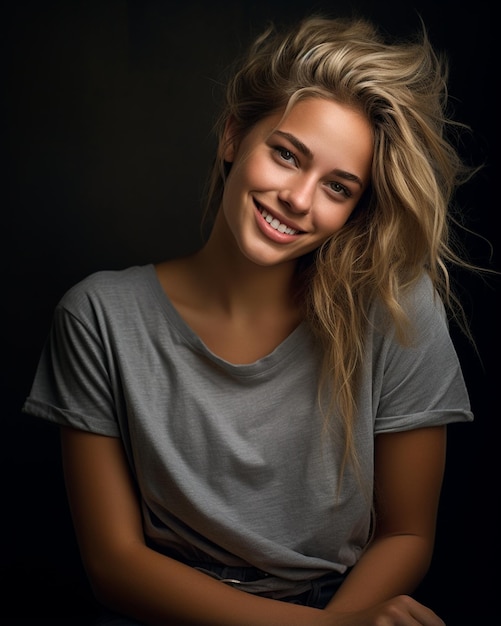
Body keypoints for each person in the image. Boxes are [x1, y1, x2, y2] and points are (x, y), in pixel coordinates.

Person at [22, 13, 477, 626]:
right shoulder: (99, 317)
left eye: (338, 187)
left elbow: (407, 535)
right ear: (234, 136)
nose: (299, 198)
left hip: (342, 604)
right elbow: (115, 564)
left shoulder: (395, 310)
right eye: (288, 155)